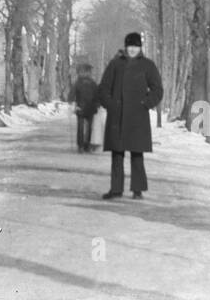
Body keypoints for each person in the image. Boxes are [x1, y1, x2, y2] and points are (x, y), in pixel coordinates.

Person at [97, 33, 164, 200]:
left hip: (137, 116)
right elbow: (104, 88)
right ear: (126, 47)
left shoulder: (148, 65)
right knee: (117, 154)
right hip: (117, 115)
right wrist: (111, 105)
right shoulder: (115, 64)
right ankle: (116, 189)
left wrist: (146, 104)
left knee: (137, 154)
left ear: (140, 47)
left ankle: (138, 189)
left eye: (136, 46)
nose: (132, 49)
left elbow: (157, 89)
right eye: (130, 46)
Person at [70, 63, 99, 153]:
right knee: (89, 127)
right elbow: (97, 95)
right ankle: (86, 145)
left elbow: (72, 94)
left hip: (81, 107)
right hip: (90, 108)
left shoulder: (78, 82)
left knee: (81, 127)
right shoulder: (93, 83)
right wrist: (98, 104)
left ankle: (81, 145)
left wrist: (71, 101)